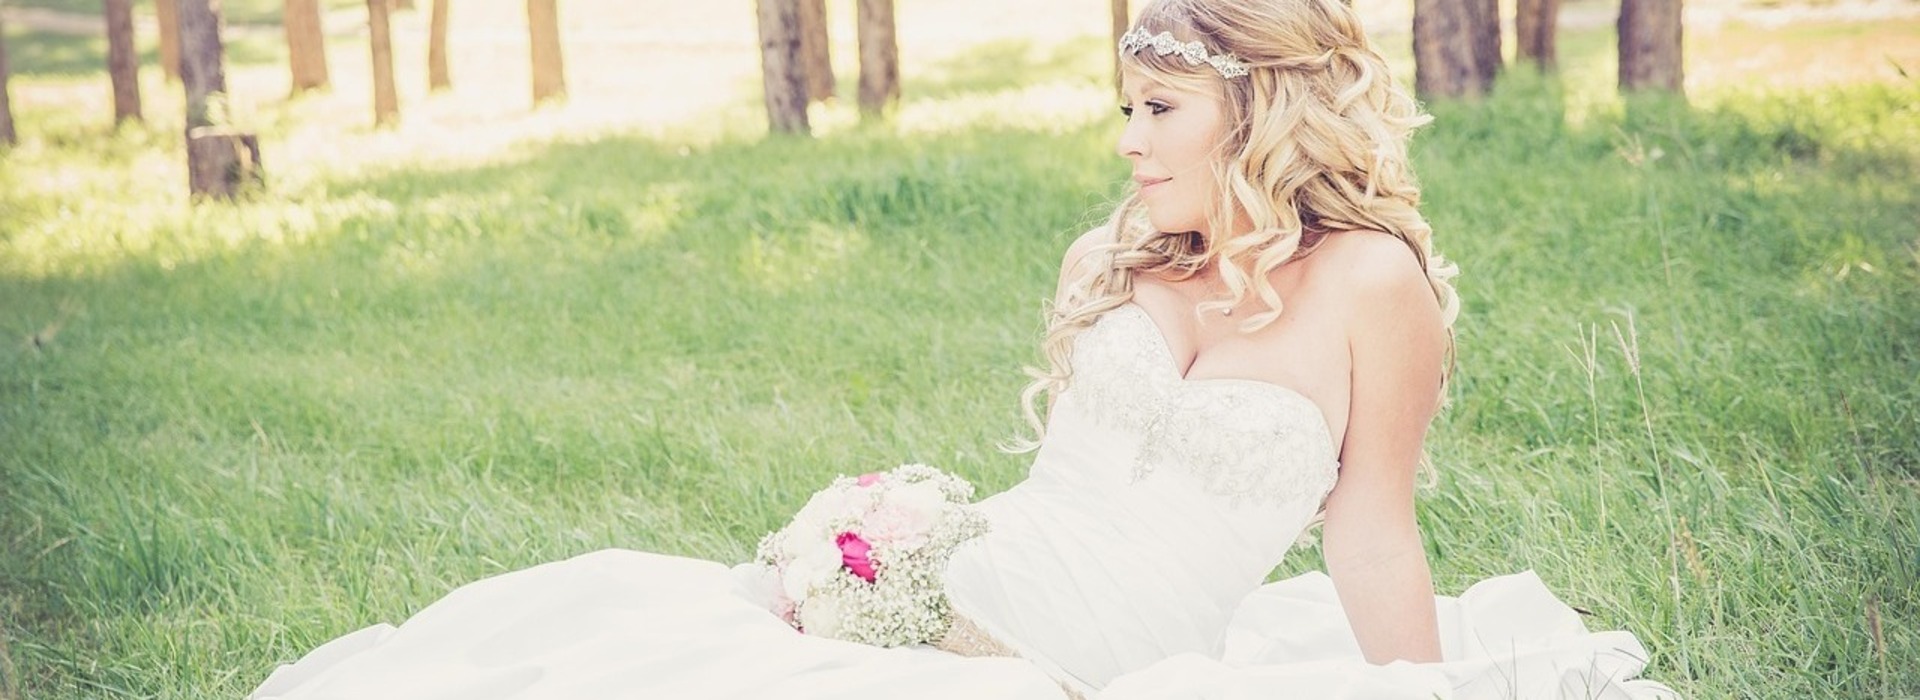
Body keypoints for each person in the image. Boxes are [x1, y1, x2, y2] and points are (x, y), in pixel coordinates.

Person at [250, 1, 1676, 698]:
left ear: (1260, 112)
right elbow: (1062, 498)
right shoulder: (1112, 255)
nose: (1126, 142)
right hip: (965, 581)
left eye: (1159, 111)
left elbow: (1372, 529)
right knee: (623, 649)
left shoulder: (1373, 284)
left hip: (1113, 658)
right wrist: (879, 556)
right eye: (1124, 107)